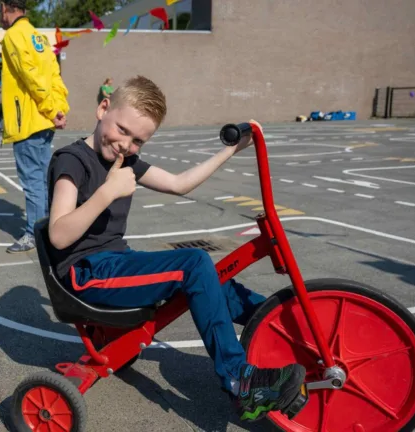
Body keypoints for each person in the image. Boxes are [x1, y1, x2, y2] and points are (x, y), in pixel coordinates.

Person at [46, 76, 306, 422]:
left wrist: (231, 149)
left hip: (116, 262)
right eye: (122, 130)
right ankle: (237, 378)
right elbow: (59, 236)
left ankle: (287, 326)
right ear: (102, 108)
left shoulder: (125, 162)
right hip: (86, 273)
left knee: (212, 278)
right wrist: (107, 192)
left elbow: (180, 184)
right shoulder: (72, 161)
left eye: (138, 140)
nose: (126, 144)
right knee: (194, 263)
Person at [0, 0, 70, 253]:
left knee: (32, 181)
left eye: (0, 10)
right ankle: (51, 229)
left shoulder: (13, 36)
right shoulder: (39, 37)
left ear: (6, 8)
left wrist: (52, 109)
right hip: (44, 119)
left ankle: (35, 234)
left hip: (27, 121)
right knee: (42, 179)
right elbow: (54, 76)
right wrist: (58, 109)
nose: (0, 15)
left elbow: (31, 78)